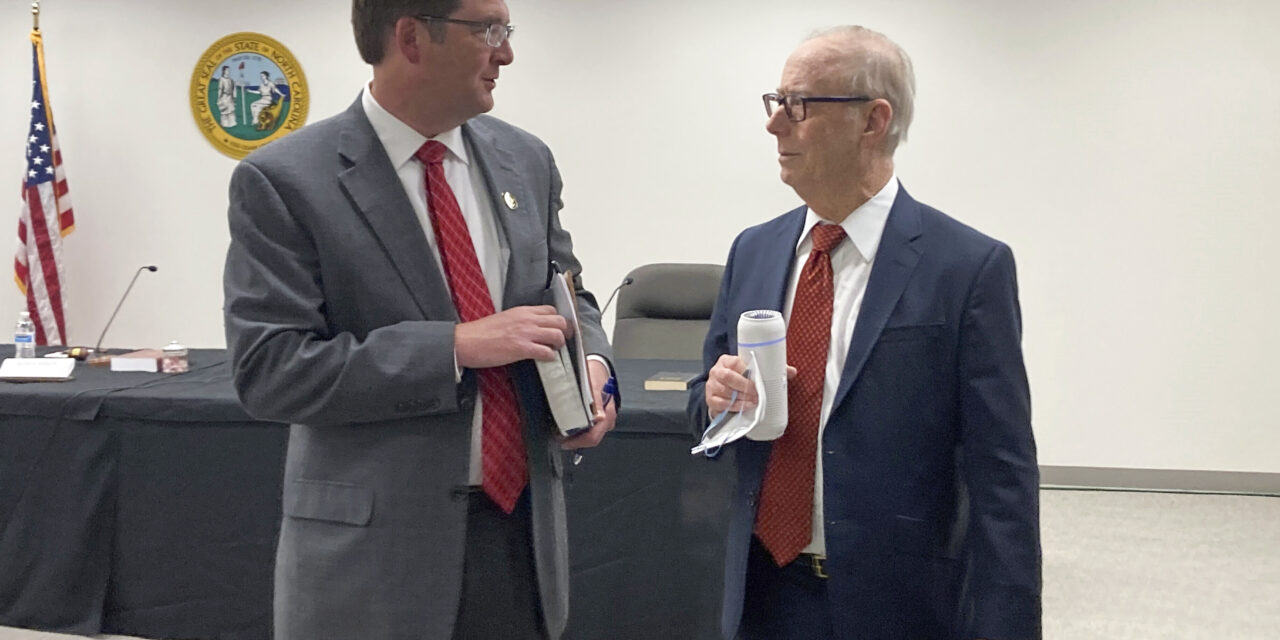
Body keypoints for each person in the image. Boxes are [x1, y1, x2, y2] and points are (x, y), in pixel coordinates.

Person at [222, 0, 616, 638]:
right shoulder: (285, 181)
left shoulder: (527, 160)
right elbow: (270, 371)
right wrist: (456, 347)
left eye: (506, 31)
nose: (506, 52)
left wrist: (593, 365)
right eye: (488, 31)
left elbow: (571, 295)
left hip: (522, 542)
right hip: (373, 568)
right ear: (410, 37)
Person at [689, 26, 1041, 640]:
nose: (775, 126)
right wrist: (717, 398)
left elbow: (1001, 473)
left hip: (898, 602)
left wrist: (1009, 623)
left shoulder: (966, 267)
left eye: (798, 105)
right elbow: (704, 403)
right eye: (775, 104)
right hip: (764, 589)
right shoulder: (755, 250)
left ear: (873, 121)